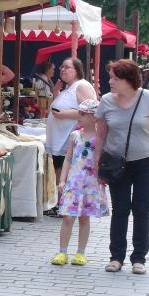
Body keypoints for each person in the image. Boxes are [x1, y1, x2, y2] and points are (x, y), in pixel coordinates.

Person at [95, 59, 149, 274]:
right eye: (110, 77)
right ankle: (116, 257)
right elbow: (101, 135)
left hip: (146, 161)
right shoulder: (106, 101)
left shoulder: (148, 98)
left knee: (141, 209)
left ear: (128, 80)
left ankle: (139, 258)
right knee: (120, 209)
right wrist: (96, 162)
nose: (110, 82)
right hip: (116, 163)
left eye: (114, 78)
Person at [50, 99, 108, 267]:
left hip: (91, 183)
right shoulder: (75, 135)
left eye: (82, 113)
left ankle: (80, 252)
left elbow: (103, 159)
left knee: (84, 218)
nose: (79, 116)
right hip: (74, 182)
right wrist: (62, 180)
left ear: (93, 116)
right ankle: (62, 251)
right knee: (68, 217)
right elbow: (68, 158)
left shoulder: (101, 137)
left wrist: (103, 177)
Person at [45, 57, 97, 216]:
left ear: (77, 70)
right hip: (60, 139)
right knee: (59, 169)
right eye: (61, 67)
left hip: (70, 138)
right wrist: (56, 93)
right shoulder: (69, 87)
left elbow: (91, 110)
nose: (62, 70)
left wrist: (64, 114)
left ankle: (66, 205)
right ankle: (61, 204)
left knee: (66, 170)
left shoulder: (82, 86)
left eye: (67, 67)